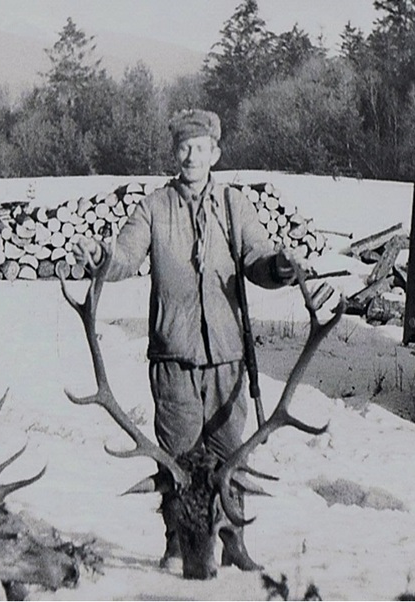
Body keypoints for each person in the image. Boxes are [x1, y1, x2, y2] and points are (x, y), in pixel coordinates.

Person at [73, 108, 304, 572]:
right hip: (174, 359)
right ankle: (176, 542)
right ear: (174, 153)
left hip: (226, 358)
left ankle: (233, 539)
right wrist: (101, 255)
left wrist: (279, 267)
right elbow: (125, 256)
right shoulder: (154, 207)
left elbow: (258, 257)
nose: (192, 156)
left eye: (201, 148)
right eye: (184, 148)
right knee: (176, 460)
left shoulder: (235, 206)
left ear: (215, 153)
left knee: (228, 456)